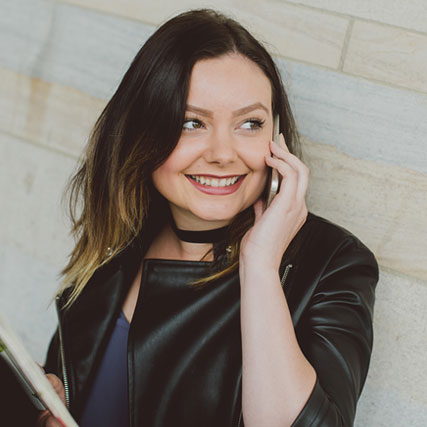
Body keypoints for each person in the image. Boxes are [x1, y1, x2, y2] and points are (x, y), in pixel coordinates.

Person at [36, 8, 378, 427]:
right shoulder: (115, 248)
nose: (222, 153)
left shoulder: (331, 263)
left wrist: (261, 264)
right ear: (143, 133)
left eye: (250, 124)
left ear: (278, 139)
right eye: (191, 122)